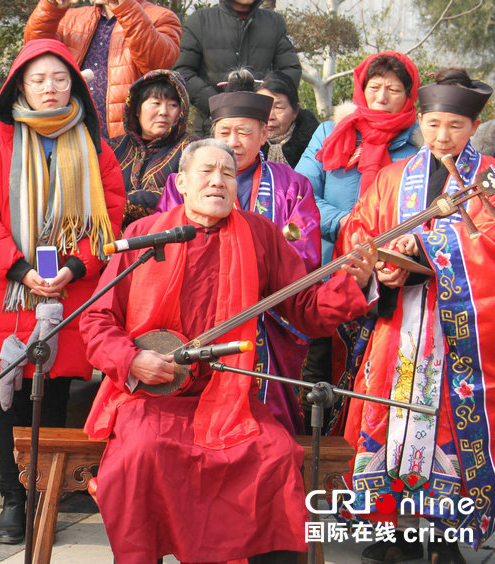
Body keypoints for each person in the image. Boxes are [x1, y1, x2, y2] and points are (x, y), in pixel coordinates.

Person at [80, 138, 378, 563]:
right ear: (181, 182)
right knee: (141, 454)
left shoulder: (260, 235)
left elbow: (305, 309)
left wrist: (353, 283)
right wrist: (132, 360)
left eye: (227, 172)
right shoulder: (145, 235)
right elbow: (96, 320)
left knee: (274, 458)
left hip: (229, 398)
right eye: (207, 171)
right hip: (151, 397)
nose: (219, 181)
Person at [0, 38, 125, 544]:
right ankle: (13, 499)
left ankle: (40, 498)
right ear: (20, 87)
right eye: (38, 80)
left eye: (59, 78)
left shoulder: (94, 145)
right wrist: (17, 266)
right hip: (11, 293)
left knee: (52, 395)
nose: (50, 88)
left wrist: (76, 265)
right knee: (10, 397)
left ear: (74, 83)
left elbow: (110, 210)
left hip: (69, 291)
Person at [340, 69, 495, 564]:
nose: (442, 136)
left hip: (461, 329)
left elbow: (488, 241)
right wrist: (380, 268)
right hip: (398, 321)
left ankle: (444, 534)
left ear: (473, 126)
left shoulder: (489, 176)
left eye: (454, 125)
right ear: (420, 122)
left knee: (447, 422)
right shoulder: (391, 176)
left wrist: (425, 247)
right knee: (388, 416)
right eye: (432, 124)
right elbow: (359, 234)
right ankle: (391, 532)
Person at [158, 76, 321, 433]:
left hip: (264, 314)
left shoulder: (293, 186)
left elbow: (302, 244)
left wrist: (257, 263)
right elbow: (169, 243)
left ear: (265, 134)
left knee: (265, 421)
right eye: (225, 132)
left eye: (245, 133)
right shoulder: (181, 183)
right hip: (196, 311)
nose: (233, 142)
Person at [294, 52, 420, 413]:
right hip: (328, 268)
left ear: (409, 96)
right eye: (374, 87)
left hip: (390, 272)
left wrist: (382, 239)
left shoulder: (418, 145)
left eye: (394, 90)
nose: (381, 96)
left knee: (376, 369)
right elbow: (301, 195)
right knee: (316, 370)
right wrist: (348, 222)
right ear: (361, 89)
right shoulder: (329, 132)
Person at [24, 0, 181, 139]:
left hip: (127, 138)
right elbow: (35, 54)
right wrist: (51, 7)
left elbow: (157, 62)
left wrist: (125, 6)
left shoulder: (161, 17)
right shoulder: (70, 18)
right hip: (72, 131)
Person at [174, 0, 301, 136]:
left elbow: (290, 70)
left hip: (262, 129)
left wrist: (263, 103)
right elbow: (183, 71)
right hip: (212, 126)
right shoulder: (201, 20)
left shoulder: (273, 22)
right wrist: (219, 104)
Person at [109, 69, 198, 228]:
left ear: (182, 111)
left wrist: (123, 203)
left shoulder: (193, 149)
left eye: (173, 105)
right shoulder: (114, 148)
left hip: (168, 240)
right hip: (112, 243)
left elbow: (189, 193)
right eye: (156, 103)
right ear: (137, 109)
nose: (163, 112)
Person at [257, 70, 319, 167]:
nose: (270, 117)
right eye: (263, 107)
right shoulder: (244, 149)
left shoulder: (314, 148)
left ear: (295, 111)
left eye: (278, 107)